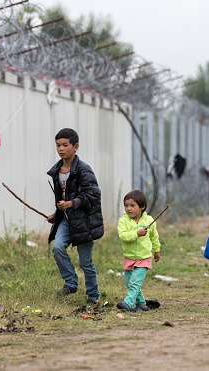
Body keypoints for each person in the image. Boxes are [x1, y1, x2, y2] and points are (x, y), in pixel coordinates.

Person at [46, 128, 104, 306]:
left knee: (85, 262)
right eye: (58, 145)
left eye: (65, 145)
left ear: (75, 146)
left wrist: (71, 204)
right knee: (57, 247)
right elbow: (63, 197)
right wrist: (56, 215)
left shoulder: (84, 170)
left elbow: (93, 195)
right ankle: (71, 283)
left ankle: (94, 295)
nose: (61, 149)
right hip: (66, 219)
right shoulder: (57, 171)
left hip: (84, 222)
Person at [117, 190, 161, 312]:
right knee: (129, 282)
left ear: (142, 207)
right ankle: (142, 305)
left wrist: (156, 250)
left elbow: (154, 237)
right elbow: (123, 236)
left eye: (132, 206)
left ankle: (128, 303)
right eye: (126, 205)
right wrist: (137, 234)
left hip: (144, 258)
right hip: (129, 258)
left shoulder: (149, 221)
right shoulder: (123, 221)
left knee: (135, 283)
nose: (128, 209)